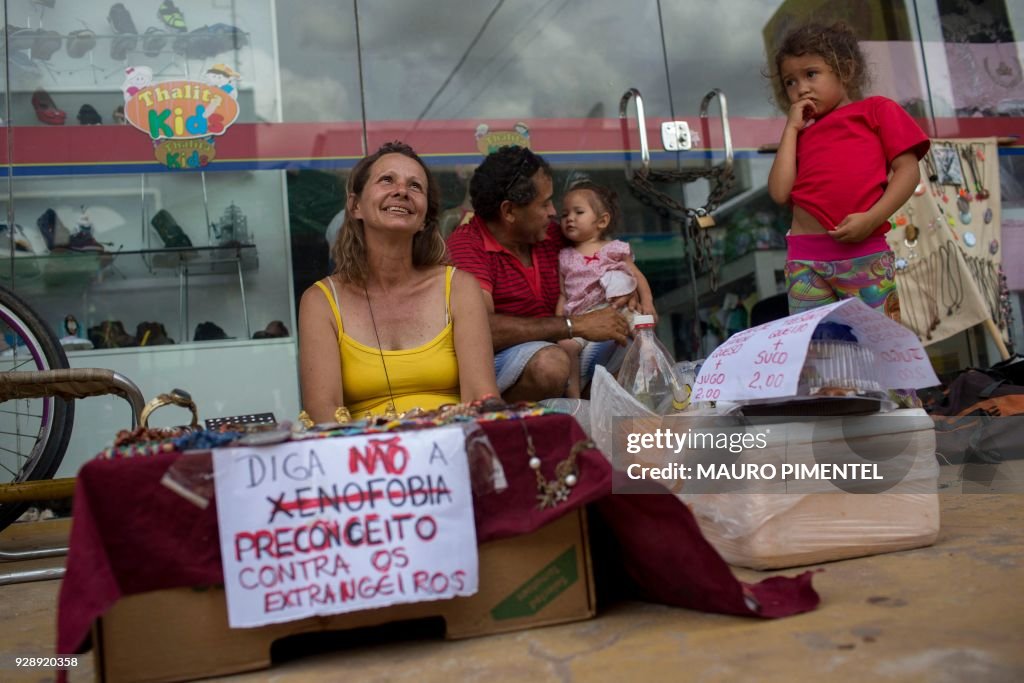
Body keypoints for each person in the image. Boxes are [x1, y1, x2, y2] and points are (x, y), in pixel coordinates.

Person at [298, 141, 499, 423]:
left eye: (415, 186)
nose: (402, 191)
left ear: (425, 220)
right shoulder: (320, 301)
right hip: (364, 457)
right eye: (387, 180)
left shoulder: (459, 288)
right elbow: (324, 412)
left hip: (452, 449)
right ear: (356, 206)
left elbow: (482, 396)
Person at [766, 22, 930, 320]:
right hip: (805, 258)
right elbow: (779, 192)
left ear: (846, 70)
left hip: (864, 253)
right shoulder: (800, 134)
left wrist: (872, 218)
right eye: (790, 82)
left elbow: (908, 172)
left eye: (811, 74)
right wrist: (791, 128)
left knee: (879, 346)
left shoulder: (876, 110)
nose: (801, 88)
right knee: (819, 352)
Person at [447, 146, 632, 403]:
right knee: (550, 364)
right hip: (508, 362)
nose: (554, 212)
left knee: (633, 346)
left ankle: (591, 424)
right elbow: (480, 328)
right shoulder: (468, 246)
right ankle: (518, 431)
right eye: (544, 203)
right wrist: (573, 326)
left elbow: (605, 255)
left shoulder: (553, 235)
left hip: (566, 352)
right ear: (509, 211)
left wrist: (627, 288)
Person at [555, 180, 655, 398]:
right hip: (581, 318)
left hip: (615, 308)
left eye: (578, 212)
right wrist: (559, 324)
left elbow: (637, 277)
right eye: (564, 214)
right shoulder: (564, 256)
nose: (569, 218)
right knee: (566, 346)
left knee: (640, 330)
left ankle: (652, 370)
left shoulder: (614, 248)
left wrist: (647, 302)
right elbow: (564, 294)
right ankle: (575, 396)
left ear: (602, 221)